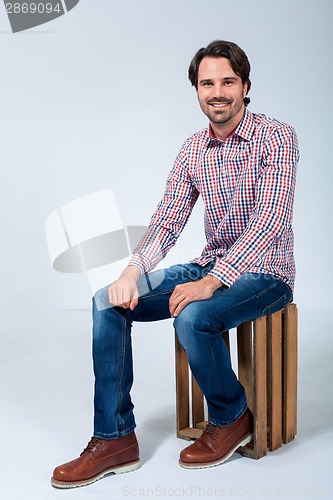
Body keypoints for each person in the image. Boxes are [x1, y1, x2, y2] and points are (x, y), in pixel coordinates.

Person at [51, 40, 299, 488]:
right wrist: (131, 272)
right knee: (107, 302)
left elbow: (271, 221)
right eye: (208, 83)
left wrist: (212, 282)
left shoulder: (277, 136)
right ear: (197, 90)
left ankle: (231, 416)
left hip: (267, 273)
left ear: (245, 87)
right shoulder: (192, 149)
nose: (217, 91)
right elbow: (167, 221)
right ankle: (115, 438)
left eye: (228, 81)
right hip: (210, 264)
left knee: (194, 316)